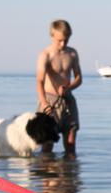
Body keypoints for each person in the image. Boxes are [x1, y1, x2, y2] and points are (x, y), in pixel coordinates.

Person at [35, 19, 83, 158]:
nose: (63, 44)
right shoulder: (45, 54)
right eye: (60, 40)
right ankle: (47, 176)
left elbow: (79, 78)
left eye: (66, 40)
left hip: (68, 99)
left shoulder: (72, 53)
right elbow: (39, 81)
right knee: (47, 143)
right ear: (52, 36)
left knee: (71, 140)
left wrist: (70, 87)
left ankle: (70, 176)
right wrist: (44, 103)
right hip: (50, 100)